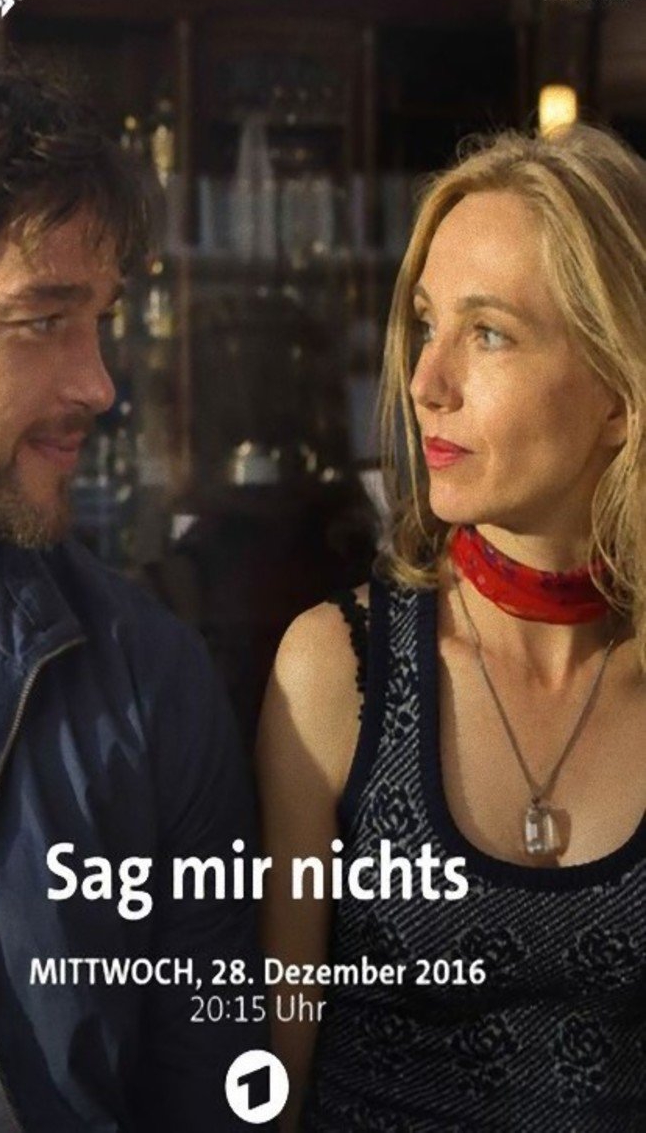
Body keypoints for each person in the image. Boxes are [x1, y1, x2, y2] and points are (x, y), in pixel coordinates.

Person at [0, 37, 268, 1132]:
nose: (98, 384)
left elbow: (214, 1093)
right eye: (41, 321)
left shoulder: (145, 682)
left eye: (100, 322)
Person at [257, 123, 646, 1130]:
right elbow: (273, 1074)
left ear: (618, 394)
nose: (427, 381)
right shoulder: (337, 670)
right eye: (427, 324)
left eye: (490, 333)